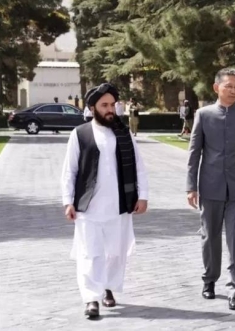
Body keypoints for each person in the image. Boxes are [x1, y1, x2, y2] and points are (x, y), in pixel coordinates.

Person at [61, 83, 149, 319]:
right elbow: (69, 171)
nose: (111, 109)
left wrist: (143, 196)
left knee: (115, 252)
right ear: (93, 108)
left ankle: (108, 287)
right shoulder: (80, 133)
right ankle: (91, 298)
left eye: (113, 105)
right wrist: (67, 201)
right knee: (91, 253)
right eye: (105, 105)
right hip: (88, 207)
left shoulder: (123, 132)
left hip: (120, 205)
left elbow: (139, 167)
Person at [186, 67, 235, 311]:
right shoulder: (203, 115)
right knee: (209, 237)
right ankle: (209, 279)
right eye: (229, 86)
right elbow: (194, 153)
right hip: (210, 186)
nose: (234, 91)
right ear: (216, 87)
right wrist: (191, 187)